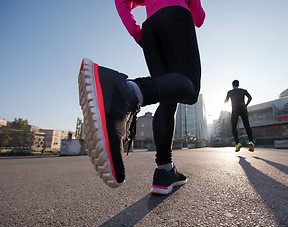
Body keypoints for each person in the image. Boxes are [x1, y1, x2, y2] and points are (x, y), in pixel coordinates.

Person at [78, 0, 205, 195]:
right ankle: (128, 90)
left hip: (150, 29)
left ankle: (165, 171)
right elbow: (199, 18)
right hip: (177, 16)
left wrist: (138, 33)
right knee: (190, 88)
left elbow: (121, 1)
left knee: (168, 98)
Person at [224, 80, 255, 152]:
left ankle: (237, 144)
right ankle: (251, 142)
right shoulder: (243, 90)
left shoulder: (230, 92)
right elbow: (250, 98)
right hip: (243, 109)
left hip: (235, 110)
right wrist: (245, 105)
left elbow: (226, 101)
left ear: (232, 85)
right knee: (247, 125)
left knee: (234, 127)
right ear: (239, 85)